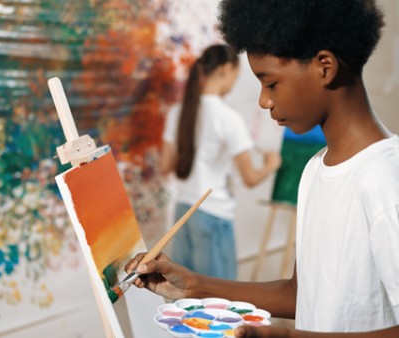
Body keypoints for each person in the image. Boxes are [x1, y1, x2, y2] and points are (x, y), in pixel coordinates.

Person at [127, 0, 399, 336]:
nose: (263, 100)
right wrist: (193, 287)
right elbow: (300, 293)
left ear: (324, 67)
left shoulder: (386, 179)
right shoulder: (315, 170)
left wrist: (288, 336)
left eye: (270, 83)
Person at [160, 44, 281, 280]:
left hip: (183, 211)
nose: (234, 84)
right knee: (219, 304)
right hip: (212, 214)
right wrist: (271, 164)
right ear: (226, 69)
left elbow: (166, 166)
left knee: (184, 298)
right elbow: (250, 178)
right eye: (236, 76)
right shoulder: (229, 118)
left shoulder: (177, 112)